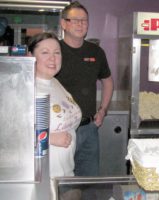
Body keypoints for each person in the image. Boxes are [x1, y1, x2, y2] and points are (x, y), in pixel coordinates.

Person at [56, 1, 114, 176]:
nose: (81, 24)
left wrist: (103, 110)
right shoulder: (54, 50)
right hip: (61, 130)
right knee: (63, 183)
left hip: (89, 129)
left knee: (89, 183)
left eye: (85, 20)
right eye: (75, 20)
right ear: (64, 23)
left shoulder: (96, 52)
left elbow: (108, 81)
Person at [28, 32, 82, 178]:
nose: (52, 58)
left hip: (66, 174)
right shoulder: (27, 88)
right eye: (45, 52)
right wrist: (50, 138)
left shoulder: (54, 81)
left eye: (57, 53)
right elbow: (11, 136)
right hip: (42, 178)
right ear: (30, 56)